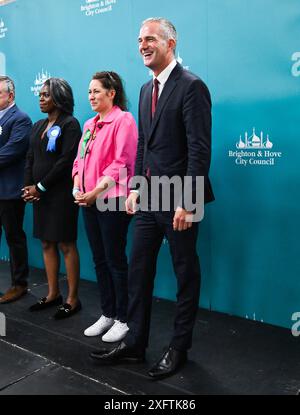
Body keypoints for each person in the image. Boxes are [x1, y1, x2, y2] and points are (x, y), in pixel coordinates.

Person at [89, 18, 214, 380]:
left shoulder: (192, 86)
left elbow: (199, 149)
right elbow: (144, 145)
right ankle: (135, 343)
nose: (143, 45)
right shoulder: (146, 90)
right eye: (139, 39)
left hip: (180, 200)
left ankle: (179, 347)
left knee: (184, 273)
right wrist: (135, 190)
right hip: (149, 199)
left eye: (150, 39)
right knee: (138, 270)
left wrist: (189, 202)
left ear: (170, 42)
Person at [72, 72, 137, 342]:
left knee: (114, 260)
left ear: (112, 93)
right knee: (99, 259)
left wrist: (95, 191)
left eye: (97, 91)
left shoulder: (124, 120)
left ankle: (123, 318)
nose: (91, 96)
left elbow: (121, 162)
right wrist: (77, 187)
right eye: (89, 92)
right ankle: (108, 313)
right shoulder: (89, 124)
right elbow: (78, 161)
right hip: (88, 201)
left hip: (111, 201)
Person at [23, 78, 82, 319]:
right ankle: (53, 294)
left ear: (59, 97)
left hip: (60, 195)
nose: (41, 98)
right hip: (39, 195)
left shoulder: (70, 125)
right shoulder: (37, 125)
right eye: (40, 94)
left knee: (66, 244)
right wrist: (29, 186)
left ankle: (72, 299)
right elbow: (30, 158)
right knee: (47, 243)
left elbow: (66, 161)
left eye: (46, 95)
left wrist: (41, 186)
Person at [0, 76, 32, 304]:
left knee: (14, 238)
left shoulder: (21, 119)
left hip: (10, 192)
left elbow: (11, 151)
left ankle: (19, 284)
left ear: (10, 96)